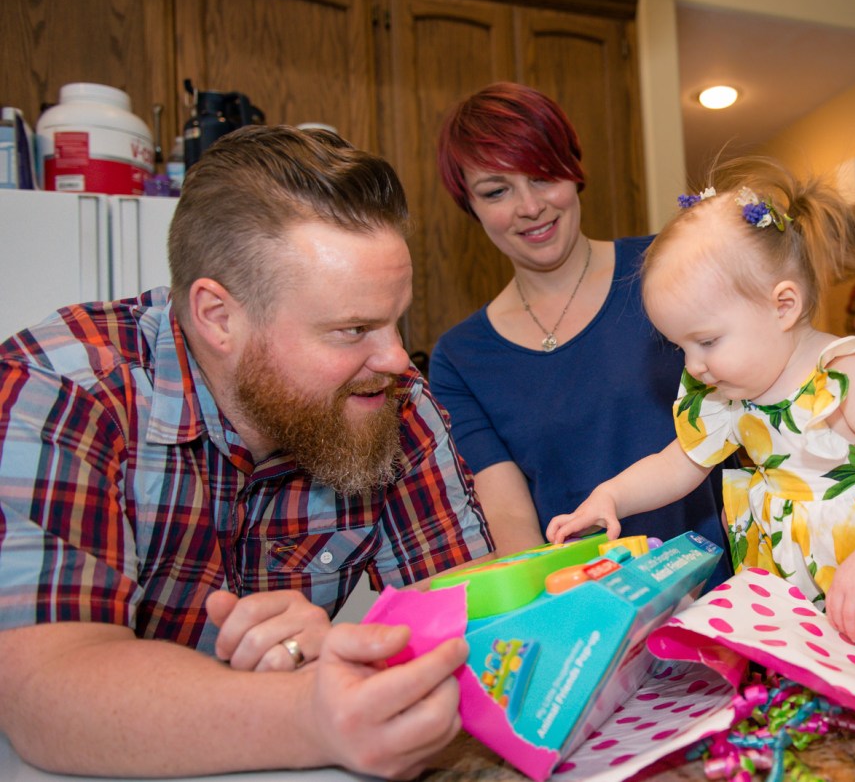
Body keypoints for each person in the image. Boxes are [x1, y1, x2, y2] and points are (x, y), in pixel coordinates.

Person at [0, 125, 493, 778]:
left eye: (395, 319)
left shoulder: (390, 397)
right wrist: (307, 709)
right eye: (353, 328)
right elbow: (48, 690)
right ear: (219, 317)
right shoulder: (63, 389)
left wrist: (342, 656)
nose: (398, 358)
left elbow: (475, 622)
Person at [546, 157, 855, 698]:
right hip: (809, 588)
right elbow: (677, 463)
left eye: (707, 341)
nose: (694, 365)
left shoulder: (850, 377)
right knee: (847, 683)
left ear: (783, 306)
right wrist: (611, 495)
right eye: (681, 348)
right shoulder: (728, 397)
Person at [429, 82, 730, 580]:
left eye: (543, 176)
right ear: (471, 206)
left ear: (572, 171)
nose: (530, 206)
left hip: (728, 586)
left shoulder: (669, 267)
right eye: (497, 191)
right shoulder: (460, 358)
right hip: (589, 601)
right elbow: (510, 520)